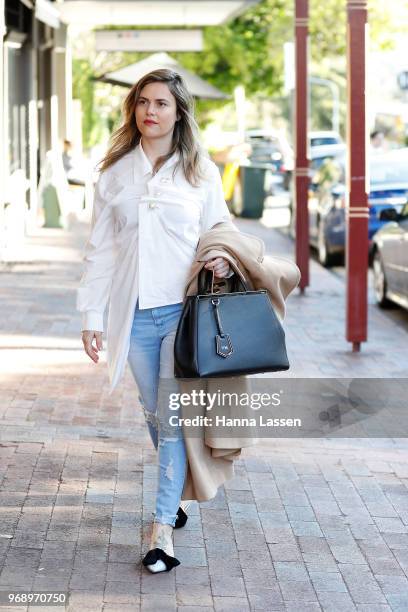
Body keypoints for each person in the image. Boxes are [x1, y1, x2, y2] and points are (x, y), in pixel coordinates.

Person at [77, 69, 233, 573]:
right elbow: (99, 251)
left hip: (184, 314)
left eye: (162, 103)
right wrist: (91, 314)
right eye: (143, 102)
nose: (151, 111)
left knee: (171, 420)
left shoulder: (200, 172)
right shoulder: (115, 173)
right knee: (156, 415)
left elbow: (220, 230)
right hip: (134, 316)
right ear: (134, 110)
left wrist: (223, 259)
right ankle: (179, 490)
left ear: (179, 112)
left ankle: (161, 527)